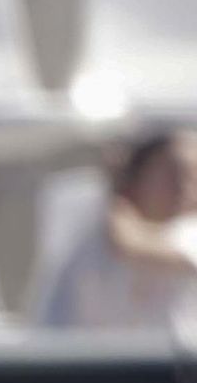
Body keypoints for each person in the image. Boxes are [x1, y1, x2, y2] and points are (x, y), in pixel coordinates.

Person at [35, 131, 197, 339]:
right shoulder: (91, 223)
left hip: (171, 368)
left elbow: (129, 242)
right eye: (176, 174)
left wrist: (117, 190)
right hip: (92, 363)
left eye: (195, 177)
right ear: (141, 174)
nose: (188, 189)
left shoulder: (189, 231)